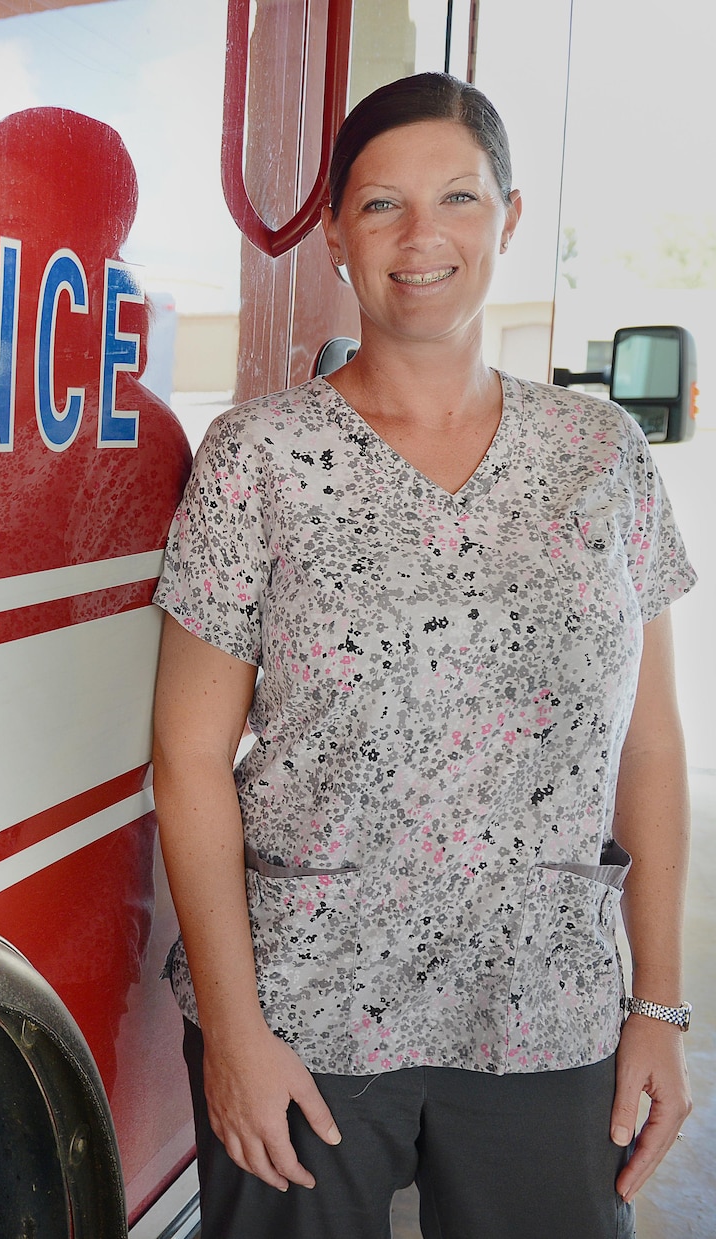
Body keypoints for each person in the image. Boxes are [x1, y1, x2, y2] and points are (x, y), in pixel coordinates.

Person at [151, 72, 695, 1238]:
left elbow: (646, 746)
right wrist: (237, 1034)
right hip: (304, 1012)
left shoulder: (597, 456)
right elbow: (187, 760)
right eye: (380, 204)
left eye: (454, 198)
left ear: (505, 216)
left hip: (543, 1008)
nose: (419, 237)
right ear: (336, 235)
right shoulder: (258, 458)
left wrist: (654, 1003)